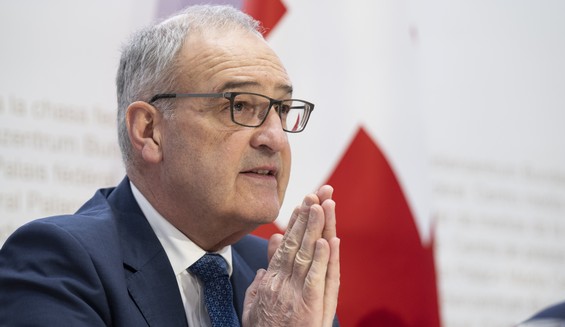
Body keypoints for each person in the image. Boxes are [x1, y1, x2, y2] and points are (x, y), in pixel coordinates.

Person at [0, 5, 340, 327]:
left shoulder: (280, 278)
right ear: (149, 131)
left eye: (281, 109)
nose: (275, 138)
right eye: (239, 106)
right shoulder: (57, 263)